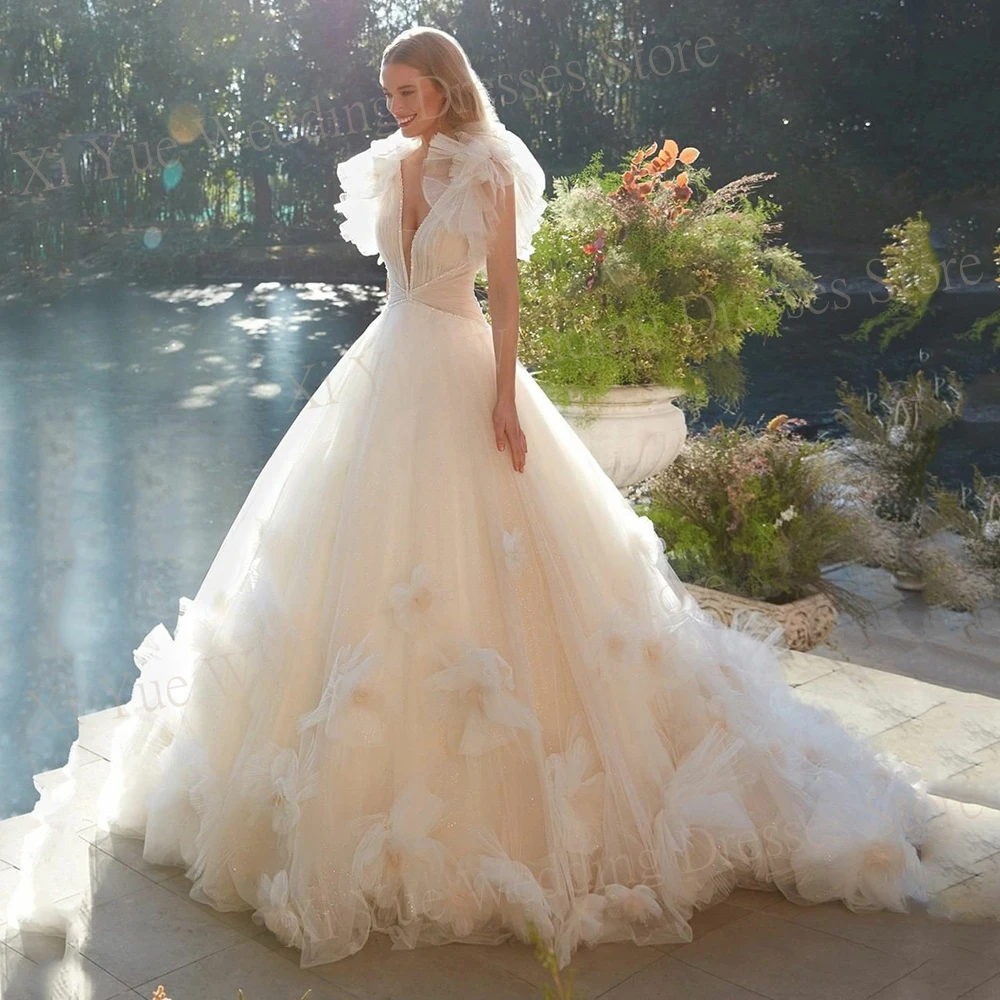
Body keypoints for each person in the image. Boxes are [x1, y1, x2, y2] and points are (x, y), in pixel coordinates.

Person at [9, 25, 935, 972]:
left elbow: (502, 286)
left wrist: (503, 394)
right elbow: (395, 276)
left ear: (448, 89)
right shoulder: (385, 167)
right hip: (381, 371)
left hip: (457, 366)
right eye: (390, 95)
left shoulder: (490, 167)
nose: (397, 109)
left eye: (410, 93)